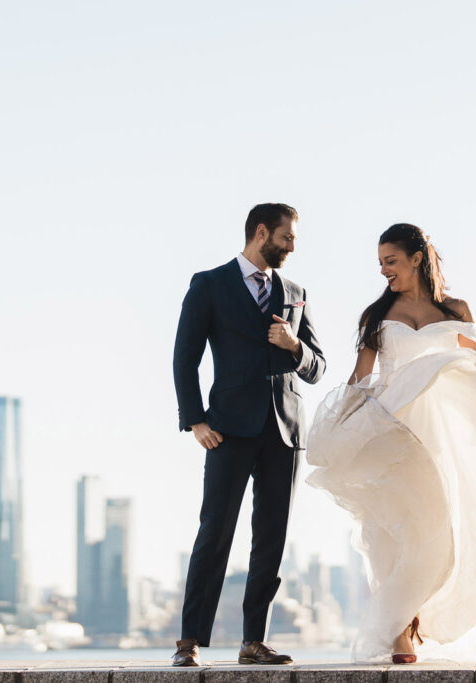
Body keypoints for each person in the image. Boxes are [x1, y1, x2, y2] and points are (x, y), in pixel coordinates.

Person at [306, 223, 476, 664]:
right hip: (391, 430)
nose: (384, 271)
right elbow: (361, 376)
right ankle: (398, 632)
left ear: (416, 258)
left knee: (439, 534)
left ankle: (415, 618)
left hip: (439, 434)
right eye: (379, 264)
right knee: (393, 530)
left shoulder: (456, 309)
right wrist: (341, 424)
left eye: (390, 261)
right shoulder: (376, 315)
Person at [171, 203, 326, 667]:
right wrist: (195, 419)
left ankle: (253, 642)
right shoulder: (210, 284)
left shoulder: (296, 291)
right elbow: (184, 357)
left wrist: (293, 346)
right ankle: (189, 643)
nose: (293, 246)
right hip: (227, 430)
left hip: (285, 430)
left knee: (271, 539)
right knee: (214, 532)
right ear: (262, 233)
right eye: (288, 237)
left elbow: (318, 366)